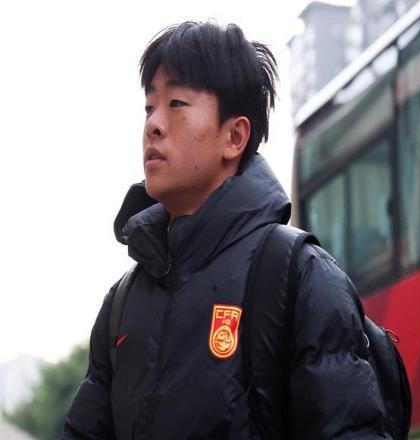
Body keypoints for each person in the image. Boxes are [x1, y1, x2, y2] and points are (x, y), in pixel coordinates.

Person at [63, 21, 389, 439]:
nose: (153, 124)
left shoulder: (298, 276)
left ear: (234, 136)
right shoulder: (122, 303)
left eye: (176, 103)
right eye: (148, 107)